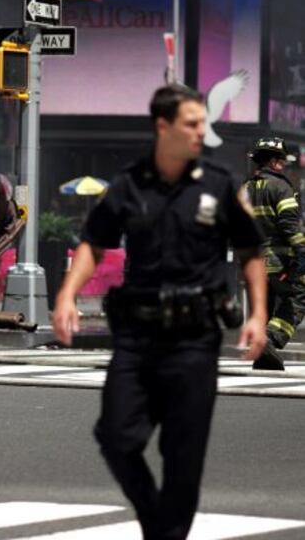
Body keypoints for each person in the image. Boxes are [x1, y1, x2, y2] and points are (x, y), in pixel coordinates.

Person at [52, 83, 268, 540]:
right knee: (115, 436)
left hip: (194, 342)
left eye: (202, 123)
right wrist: (68, 293)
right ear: (162, 126)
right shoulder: (129, 185)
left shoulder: (219, 184)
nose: (200, 132)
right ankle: (157, 525)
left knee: (183, 458)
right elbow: (95, 241)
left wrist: (258, 315)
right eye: (191, 123)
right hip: (138, 340)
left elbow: (251, 251)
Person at [243, 136, 305, 370]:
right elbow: (291, 227)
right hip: (279, 261)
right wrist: (302, 254)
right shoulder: (281, 187)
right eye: (282, 161)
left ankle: (262, 354)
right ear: (274, 161)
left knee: (264, 306)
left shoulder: (245, 187)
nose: (284, 165)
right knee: (297, 298)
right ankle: (269, 341)